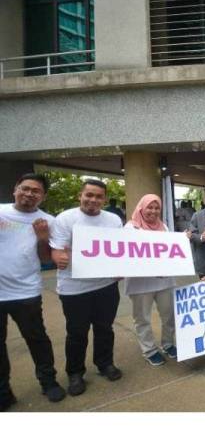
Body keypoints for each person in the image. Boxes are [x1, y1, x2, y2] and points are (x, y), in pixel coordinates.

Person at [50, 179, 123, 396]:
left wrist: (121, 267)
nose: (93, 200)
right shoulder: (65, 219)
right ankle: (75, 373)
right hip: (74, 288)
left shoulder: (113, 220)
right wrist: (58, 258)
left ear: (104, 199)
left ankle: (104, 363)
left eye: (98, 196)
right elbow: (56, 249)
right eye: (89, 195)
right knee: (76, 333)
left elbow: (120, 249)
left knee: (104, 328)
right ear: (80, 195)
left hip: (106, 286)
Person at [0, 174, 66, 411]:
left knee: (37, 339)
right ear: (15, 189)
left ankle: (49, 382)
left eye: (35, 191)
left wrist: (42, 239)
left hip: (26, 292)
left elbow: (47, 259)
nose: (29, 194)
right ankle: (3, 392)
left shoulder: (48, 220)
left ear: (43, 196)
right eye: (25, 189)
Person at [124, 194, 177, 366]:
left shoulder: (164, 227)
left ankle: (168, 344)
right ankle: (149, 350)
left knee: (169, 315)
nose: (153, 211)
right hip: (141, 284)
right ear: (141, 208)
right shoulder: (131, 228)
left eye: (156, 208)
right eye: (150, 207)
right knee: (143, 318)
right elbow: (129, 257)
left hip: (165, 281)